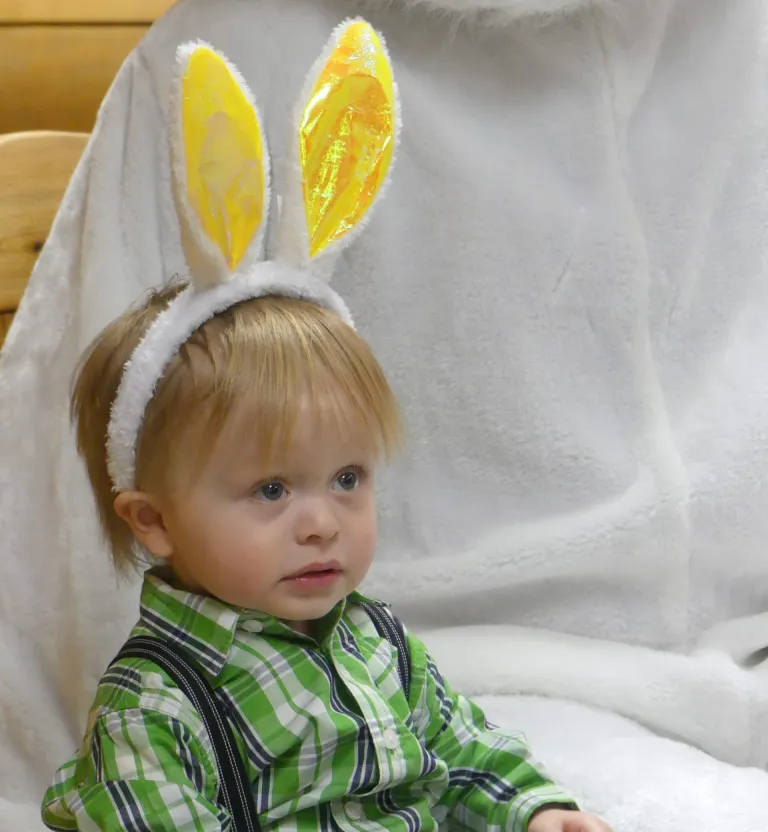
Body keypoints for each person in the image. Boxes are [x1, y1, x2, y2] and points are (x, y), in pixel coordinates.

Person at [40, 26, 611, 832]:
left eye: (348, 478)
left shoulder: (376, 641)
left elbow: (459, 744)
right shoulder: (156, 713)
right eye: (271, 489)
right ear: (156, 520)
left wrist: (532, 806)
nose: (321, 522)